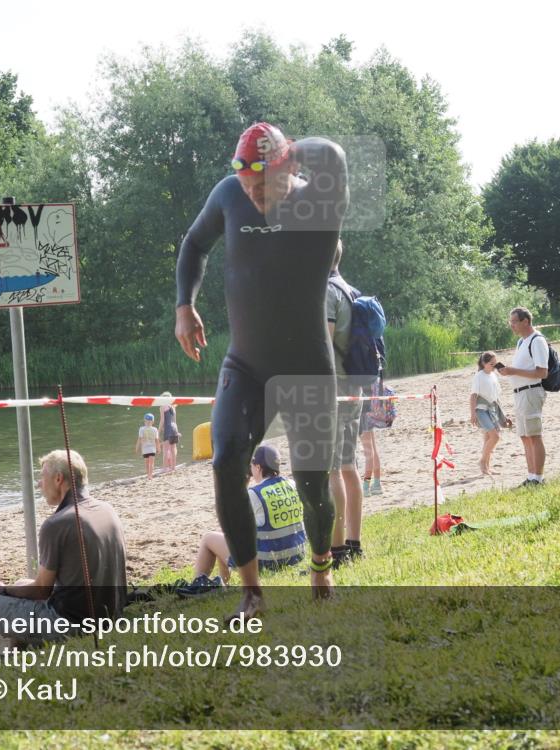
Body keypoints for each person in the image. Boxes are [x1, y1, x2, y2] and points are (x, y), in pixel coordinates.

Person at [174, 122, 348, 616]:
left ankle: (321, 565)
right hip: (246, 363)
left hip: (307, 367)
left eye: (262, 187)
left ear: (287, 169)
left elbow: (333, 153)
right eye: (247, 186)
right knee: (226, 460)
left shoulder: (320, 201)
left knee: (313, 484)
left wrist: (284, 151)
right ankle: (252, 591)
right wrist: (184, 305)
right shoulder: (230, 194)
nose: (253, 196)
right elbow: (194, 244)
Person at [0, 449, 127, 667]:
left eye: (42, 476)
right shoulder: (107, 510)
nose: (39, 484)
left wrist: (1, 590)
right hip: (109, 617)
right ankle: (17, 659)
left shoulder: (57, 524)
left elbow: (41, 590)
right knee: (21, 583)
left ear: (59, 479)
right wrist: (13, 589)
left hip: (72, 626)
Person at [182, 445, 306, 594]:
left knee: (209, 539)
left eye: (251, 465)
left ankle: (198, 585)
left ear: (258, 467)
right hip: (295, 555)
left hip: (267, 562)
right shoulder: (293, 485)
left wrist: (243, 483)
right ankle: (223, 585)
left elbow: (229, 523)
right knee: (225, 539)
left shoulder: (255, 493)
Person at [326, 240, 366, 566]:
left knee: (331, 470)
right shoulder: (352, 291)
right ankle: (354, 545)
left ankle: (337, 551)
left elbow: (323, 345)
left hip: (332, 387)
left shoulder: (327, 292)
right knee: (349, 466)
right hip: (355, 385)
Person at [497, 307, 548, 487]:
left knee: (534, 435)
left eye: (514, 322)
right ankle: (531, 476)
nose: (511, 325)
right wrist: (509, 371)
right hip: (519, 393)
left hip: (531, 391)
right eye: (510, 322)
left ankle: (539, 478)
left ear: (525, 321)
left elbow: (542, 372)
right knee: (525, 436)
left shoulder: (537, 341)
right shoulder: (521, 342)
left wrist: (513, 371)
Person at [469, 351, 512, 475]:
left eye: (495, 363)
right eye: (491, 364)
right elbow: (473, 396)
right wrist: (472, 414)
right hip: (481, 410)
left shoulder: (493, 375)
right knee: (495, 437)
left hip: (492, 409)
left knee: (488, 438)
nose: (494, 366)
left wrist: (503, 415)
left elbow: (496, 398)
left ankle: (486, 467)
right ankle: (482, 462)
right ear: (484, 363)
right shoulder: (479, 376)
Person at [159, 392, 180, 473]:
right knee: (173, 449)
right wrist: (177, 432)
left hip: (168, 429)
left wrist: (158, 431)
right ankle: (173, 467)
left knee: (165, 449)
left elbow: (162, 420)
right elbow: (175, 421)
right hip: (174, 428)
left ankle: (164, 468)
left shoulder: (162, 407)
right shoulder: (173, 407)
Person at [135, 413, 160, 479]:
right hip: (152, 449)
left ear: (144, 421)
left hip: (145, 449)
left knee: (146, 463)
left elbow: (139, 439)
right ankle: (150, 476)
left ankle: (148, 474)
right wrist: (158, 448)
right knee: (151, 463)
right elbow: (157, 440)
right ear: (153, 422)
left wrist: (137, 448)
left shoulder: (141, 429)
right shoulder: (155, 429)